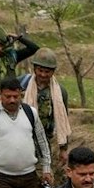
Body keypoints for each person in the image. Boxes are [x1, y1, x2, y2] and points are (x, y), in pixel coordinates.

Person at [28, 48, 72, 179]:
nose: (42, 75)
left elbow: (63, 121)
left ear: (52, 72)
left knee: (44, 176)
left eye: (46, 72)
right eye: (40, 70)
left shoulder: (59, 93)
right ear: (34, 69)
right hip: (24, 137)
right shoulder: (23, 86)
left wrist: (63, 149)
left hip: (45, 140)